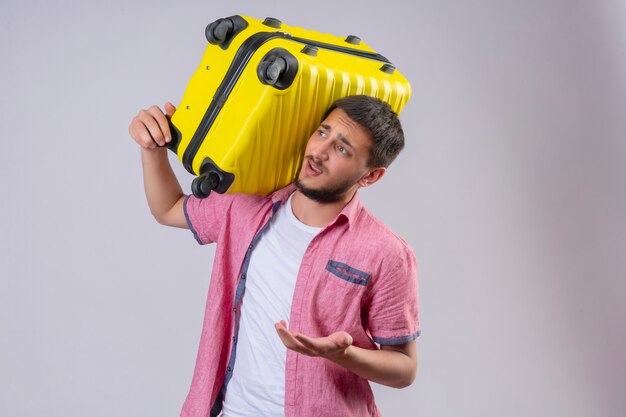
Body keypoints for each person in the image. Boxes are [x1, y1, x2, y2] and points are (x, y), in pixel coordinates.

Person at [129, 95, 420, 417]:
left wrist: (343, 354)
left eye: (342, 149)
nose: (318, 153)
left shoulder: (386, 252)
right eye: (322, 132)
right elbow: (168, 208)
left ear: (370, 176)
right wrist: (151, 149)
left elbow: (404, 368)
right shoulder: (248, 204)